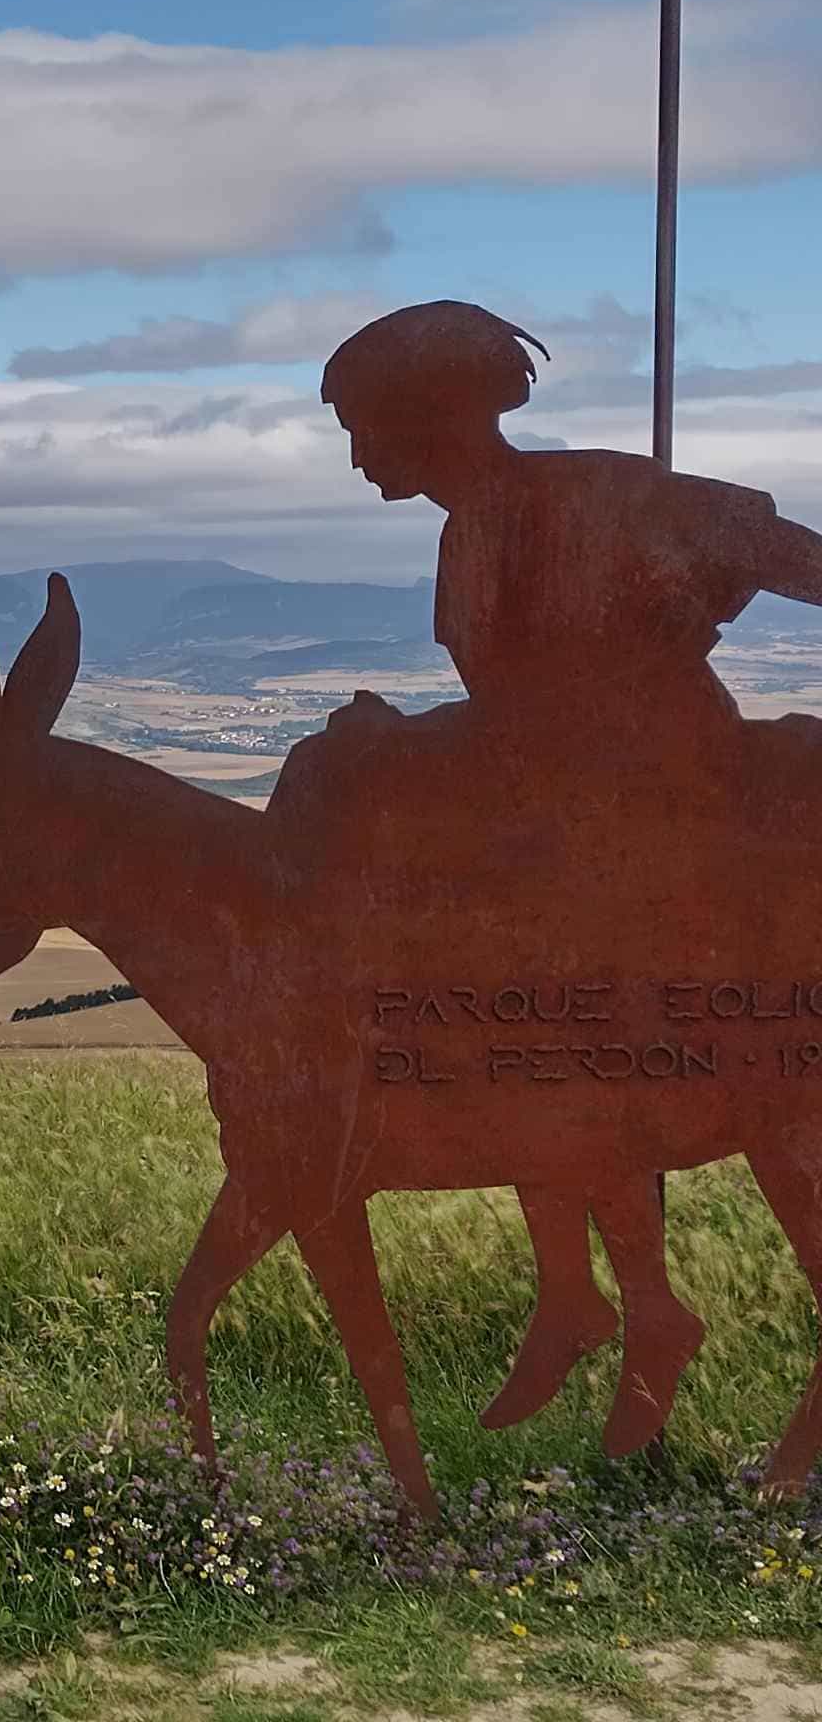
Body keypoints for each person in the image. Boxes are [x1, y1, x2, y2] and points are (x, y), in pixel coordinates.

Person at [278, 300, 822, 1452]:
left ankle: (595, 1295)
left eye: (363, 426)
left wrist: (405, 746)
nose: (359, 454)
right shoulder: (482, 522)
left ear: (424, 416)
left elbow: (778, 563)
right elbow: (524, 719)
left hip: (663, 826)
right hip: (570, 825)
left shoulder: (591, 495)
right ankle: (580, 1291)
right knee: (498, 1007)